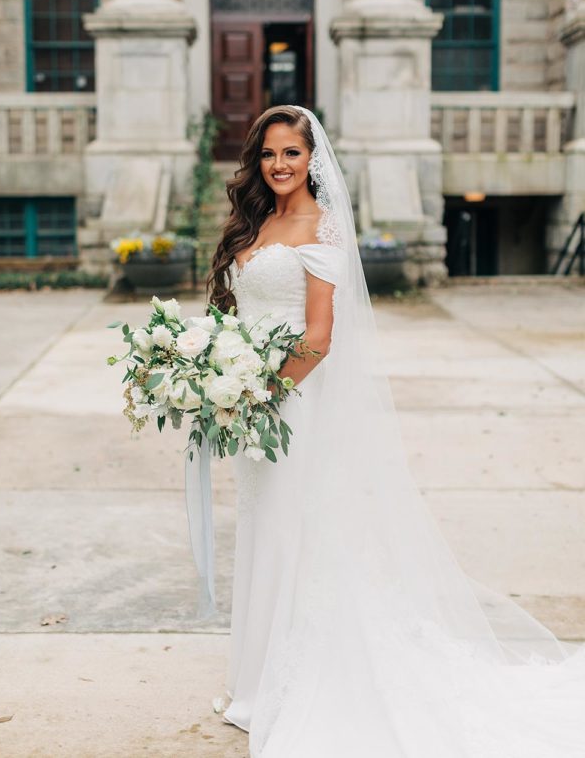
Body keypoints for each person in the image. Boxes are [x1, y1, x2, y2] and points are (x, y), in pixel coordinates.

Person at [196, 104, 585, 757]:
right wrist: (216, 371)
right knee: (264, 527)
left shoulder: (322, 230)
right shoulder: (258, 221)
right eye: (268, 154)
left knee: (296, 532)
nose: (279, 165)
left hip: (288, 402)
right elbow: (244, 312)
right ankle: (257, 679)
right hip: (251, 400)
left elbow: (319, 338)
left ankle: (295, 681)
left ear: (313, 158)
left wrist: (260, 393)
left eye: (291, 153)